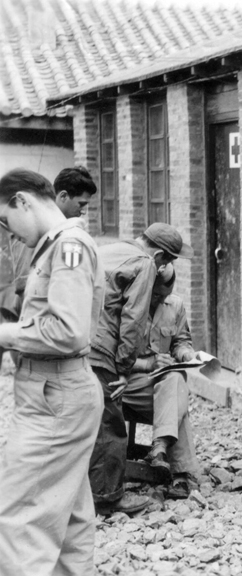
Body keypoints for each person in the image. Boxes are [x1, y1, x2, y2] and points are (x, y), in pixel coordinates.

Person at [0, 168, 105, 575]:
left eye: (6, 220)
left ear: (23, 200)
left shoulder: (69, 247)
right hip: (57, 391)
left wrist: (5, 333)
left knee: (19, 515)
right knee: (68, 514)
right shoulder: (55, 246)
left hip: (55, 394)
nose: (9, 232)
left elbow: (68, 331)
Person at [88, 222, 193, 516]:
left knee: (174, 386)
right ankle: (108, 498)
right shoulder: (144, 263)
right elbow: (131, 323)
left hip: (82, 342)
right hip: (109, 358)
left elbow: (181, 339)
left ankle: (163, 452)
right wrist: (127, 368)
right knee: (111, 425)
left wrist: (184, 354)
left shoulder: (112, 250)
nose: (164, 266)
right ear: (159, 254)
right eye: (167, 259)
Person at [122, 264, 199, 499]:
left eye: (165, 295)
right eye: (156, 294)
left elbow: (180, 341)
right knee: (177, 403)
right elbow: (113, 354)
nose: (160, 299)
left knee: (176, 378)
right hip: (129, 383)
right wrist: (147, 364)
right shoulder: (128, 306)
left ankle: (159, 446)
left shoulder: (175, 305)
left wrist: (186, 354)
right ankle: (181, 475)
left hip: (160, 384)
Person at [5, 166, 98, 321]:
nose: (84, 211)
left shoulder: (66, 234)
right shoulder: (35, 231)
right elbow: (23, 287)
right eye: (81, 204)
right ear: (63, 196)